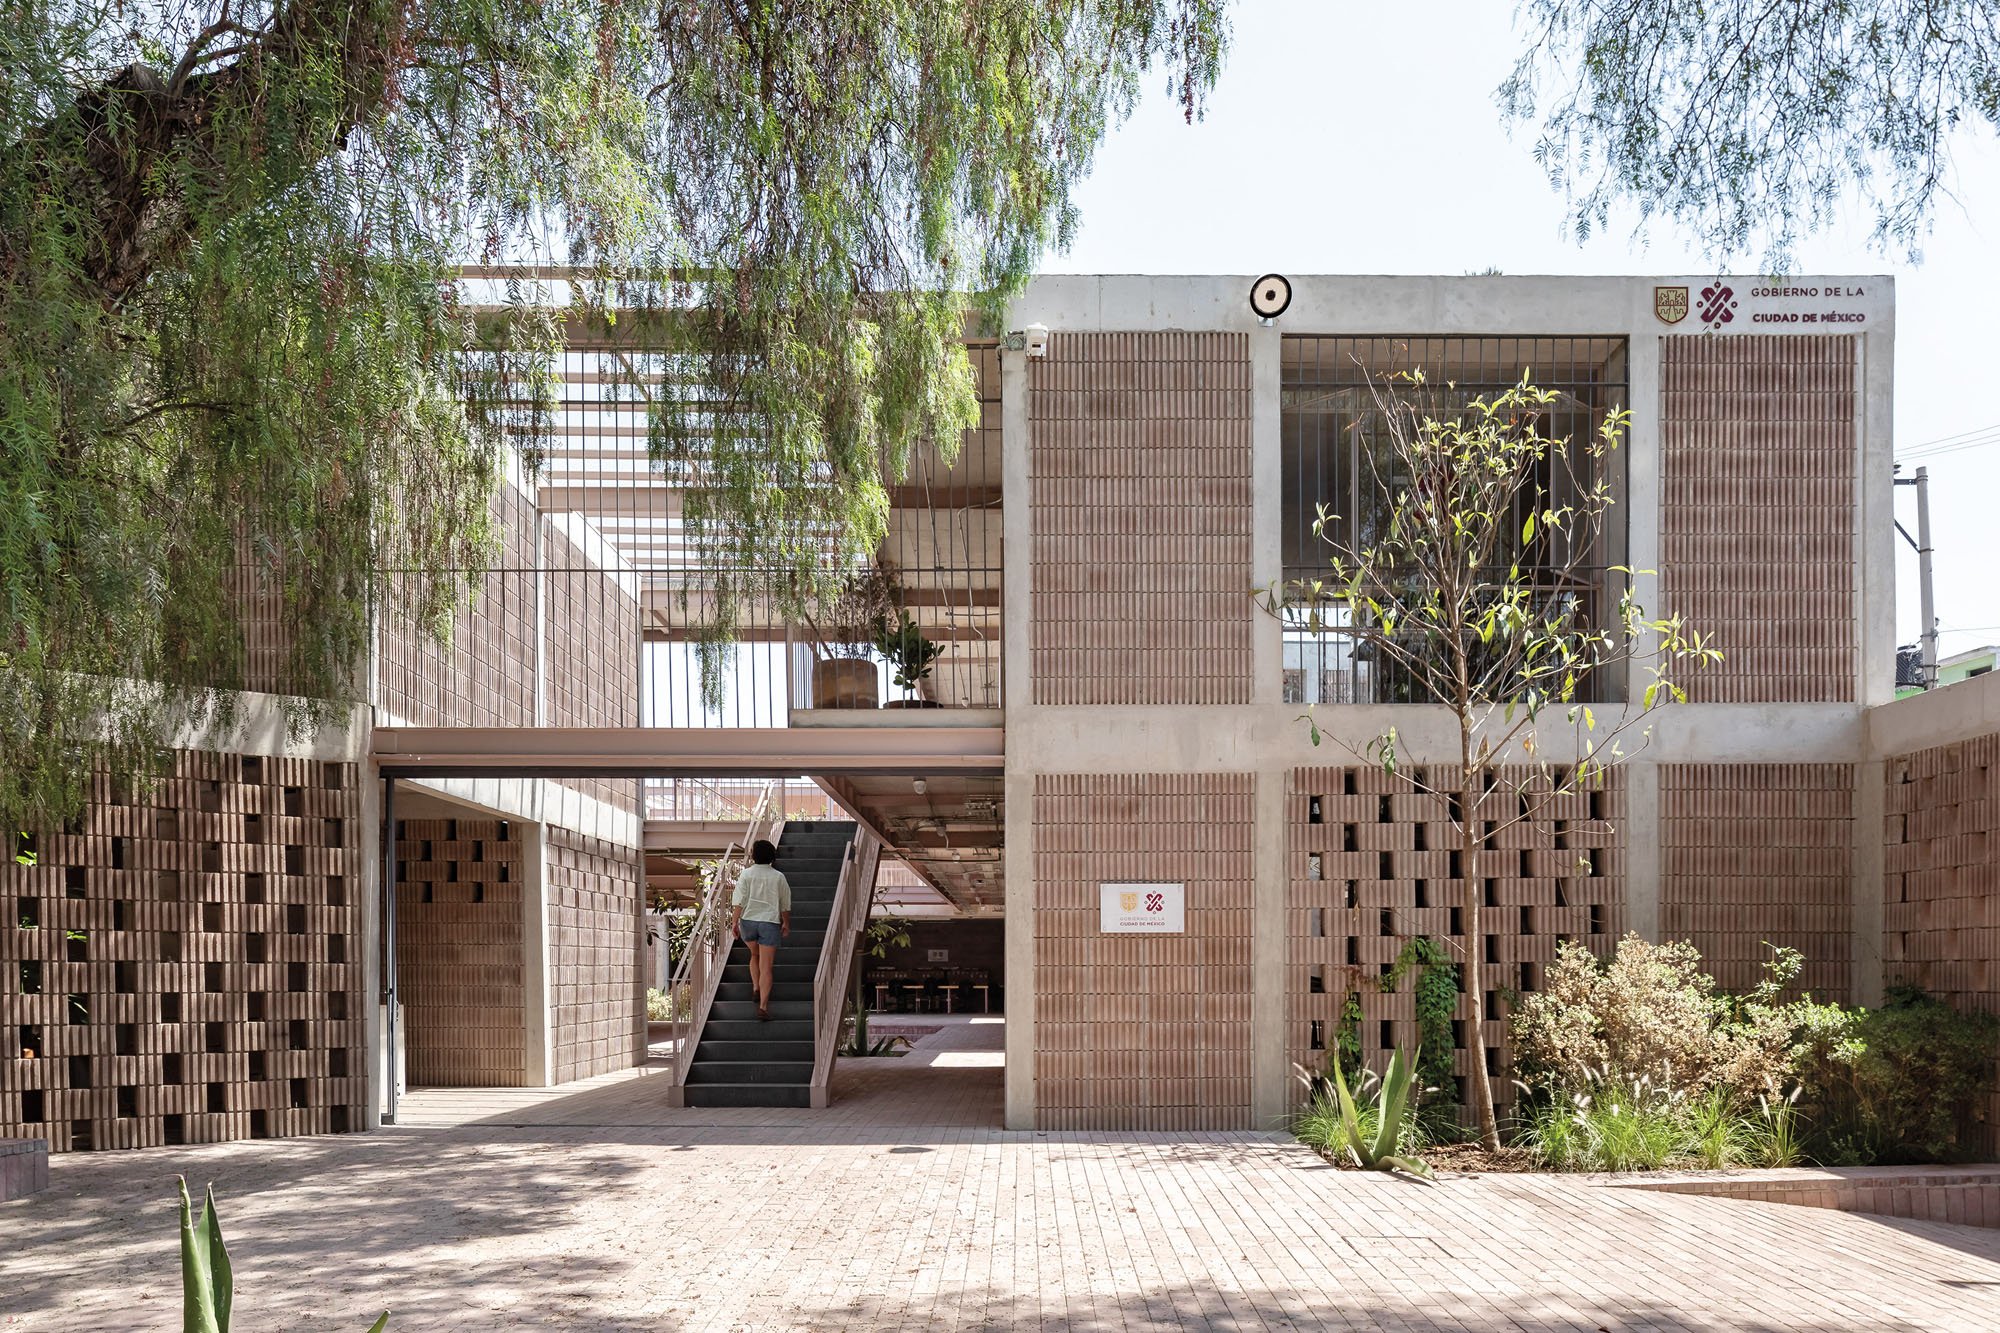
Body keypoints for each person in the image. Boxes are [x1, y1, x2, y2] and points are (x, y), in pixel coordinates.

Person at [729, 839, 791, 1020]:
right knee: (767, 967)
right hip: (770, 922)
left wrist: (734, 923)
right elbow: (785, 904)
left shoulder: (746, 875)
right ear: (772, 856)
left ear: (754, 856)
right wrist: (786, 922)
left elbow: (739, 901)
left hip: (748, 921)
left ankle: (756, 987)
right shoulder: (779, 876)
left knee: (754, 955)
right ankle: (763, 1007)